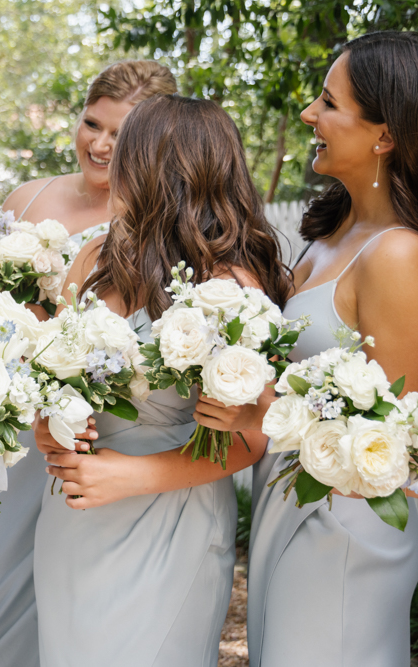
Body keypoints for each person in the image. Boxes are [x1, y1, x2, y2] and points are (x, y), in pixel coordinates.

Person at [33, 94, 293, 666]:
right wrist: (48, 427)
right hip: (73, 514)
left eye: (126, 151)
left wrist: (129, 475)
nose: (111, 162)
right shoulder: (94, 259)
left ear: (158, 168)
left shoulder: (230, 285)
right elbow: (50, 380)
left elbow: (252, 438)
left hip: (172, 510)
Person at [0, 60, 177, 667]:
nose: (101, 144)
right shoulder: (27, 199)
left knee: (73, 602)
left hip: (93, 436)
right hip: (14, 427)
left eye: (123, 133)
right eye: (92, 123)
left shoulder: (153, 225)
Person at [235, 31, 418, 666]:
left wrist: (263, 405)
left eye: (328, 103)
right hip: (286, 501)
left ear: (385, 135)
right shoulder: (330, 234)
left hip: (343, 528)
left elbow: (399, 438)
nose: (310, 114)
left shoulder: (395, 254)